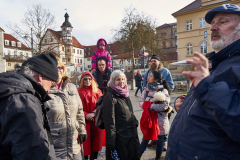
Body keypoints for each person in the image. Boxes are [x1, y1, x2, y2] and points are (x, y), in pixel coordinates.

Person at [166, 4, 240, 160]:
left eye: (223, 22)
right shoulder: (215, 62)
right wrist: (188, 106)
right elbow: (215, 106)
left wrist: (207, 87)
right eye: (212, 23)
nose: (212, 27)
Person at [0, 52, 58, 159]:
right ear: (41, 77)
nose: (49, 90)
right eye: (51, 83)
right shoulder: (24, 100)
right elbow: (33, 152)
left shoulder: (10, 89)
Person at [44, 59, 87, 160]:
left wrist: (82, 130)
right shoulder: (45, 90)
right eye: (55, 67)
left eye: (60, 67)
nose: (59, 70)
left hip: (74, 144)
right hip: (56, 147)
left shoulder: (71, 87)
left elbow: (79, 111)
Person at [103, 70, 141, 160]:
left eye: (123, 79)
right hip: (120, 140)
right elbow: (109, 123)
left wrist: (135, 122)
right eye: (118, 79)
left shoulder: (126, 94)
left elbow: (131, 112)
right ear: (112, 81)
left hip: (131, 137)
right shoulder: (110, 97)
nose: (121, 82)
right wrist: (111, 145)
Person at [139, 71, 171, 160]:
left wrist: (149, 106)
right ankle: (137, 156)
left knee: (160, 140)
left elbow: (165, 106)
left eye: (151, 76)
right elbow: (140, 102)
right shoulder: (145, 90)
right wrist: (147, 106)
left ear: (156, 79)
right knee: (145, 139)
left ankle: (158, 157)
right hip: (149, 120)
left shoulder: (163, 90)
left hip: (160, 120)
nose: (148, 77)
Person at [143, 55, 174, 149]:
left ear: (159, 62)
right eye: (151, 61)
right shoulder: (148, 72)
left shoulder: (165, 71)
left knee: (163, 122)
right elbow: (144, 85)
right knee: (153, 121)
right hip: (151, 102)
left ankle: (164, 141)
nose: (153, 62)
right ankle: (154, 139)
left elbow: (171, 86)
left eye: (155, 61)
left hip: (162, 101)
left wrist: (162, 92)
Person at [78, 72, 103, 160]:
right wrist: (85, 114)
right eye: (85, 79)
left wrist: (94, 113)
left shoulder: (97, 91)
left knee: (96, 142)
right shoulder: (78, 92)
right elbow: (76, 106)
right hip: (84, 121)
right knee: (85, 143)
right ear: (82, 80)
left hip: (95, 121)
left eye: (89, 79)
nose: (88, 80)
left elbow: (101, 105)